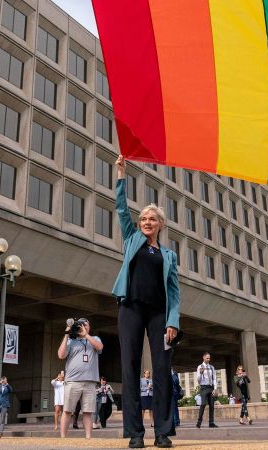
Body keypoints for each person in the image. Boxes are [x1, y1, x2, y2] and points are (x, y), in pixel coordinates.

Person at [112, 155, 181, 449]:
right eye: (143, 219)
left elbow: (174, 292)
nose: (146, 222)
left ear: (161, 224)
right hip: (130, 308)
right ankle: (135, 434)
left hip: (158, 314)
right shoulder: (131, 239)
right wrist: (120, 175)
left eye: (152, 219)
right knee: (129, 367)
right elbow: (120, 209)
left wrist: (172, 321)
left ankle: (163, 432)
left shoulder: (168, 256)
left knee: (162, 370)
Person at [57, 317, 103, 439]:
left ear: (89, 327)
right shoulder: (71, 341)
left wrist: (86, 335)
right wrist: (67, 334)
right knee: (67, 411)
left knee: (88, 412)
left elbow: (99, 347)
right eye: (81, 325)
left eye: (86, 324)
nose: (83, 326)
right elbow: (61, 355)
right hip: (72, 381)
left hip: (90, 381)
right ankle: (63, 438)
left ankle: (88, 438)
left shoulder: (94, 339)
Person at [195, 352, 218, 429]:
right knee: (203, 403)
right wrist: (201, 373)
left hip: (211, 387)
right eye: (207, 358)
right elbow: (198, 380)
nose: (209, 359)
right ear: (203, 358)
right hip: (204, 388)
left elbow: (214, 378)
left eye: (209, 358)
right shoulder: (199, 367)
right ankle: (199, 422)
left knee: (212, 405)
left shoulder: (211, 367)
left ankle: (211, 422)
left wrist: (215, 388)